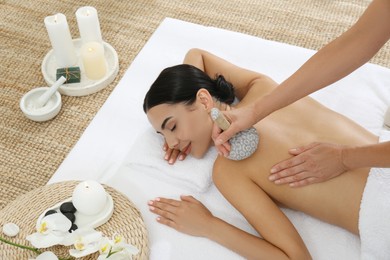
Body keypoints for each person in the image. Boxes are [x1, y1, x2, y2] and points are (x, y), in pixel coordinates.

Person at [143, 48, 388, 259]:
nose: (172, 142)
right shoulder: (265, 90)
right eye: (162, 136)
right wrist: (186, 105)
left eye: (172, 126)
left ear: (205, 100)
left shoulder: (229, 168)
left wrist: (209, 226)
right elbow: (198, 55)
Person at [211, 0, 390, 187]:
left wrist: (345, 158)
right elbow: (358, 41)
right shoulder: (226, 170)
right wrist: (254, 111)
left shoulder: (225, 173)